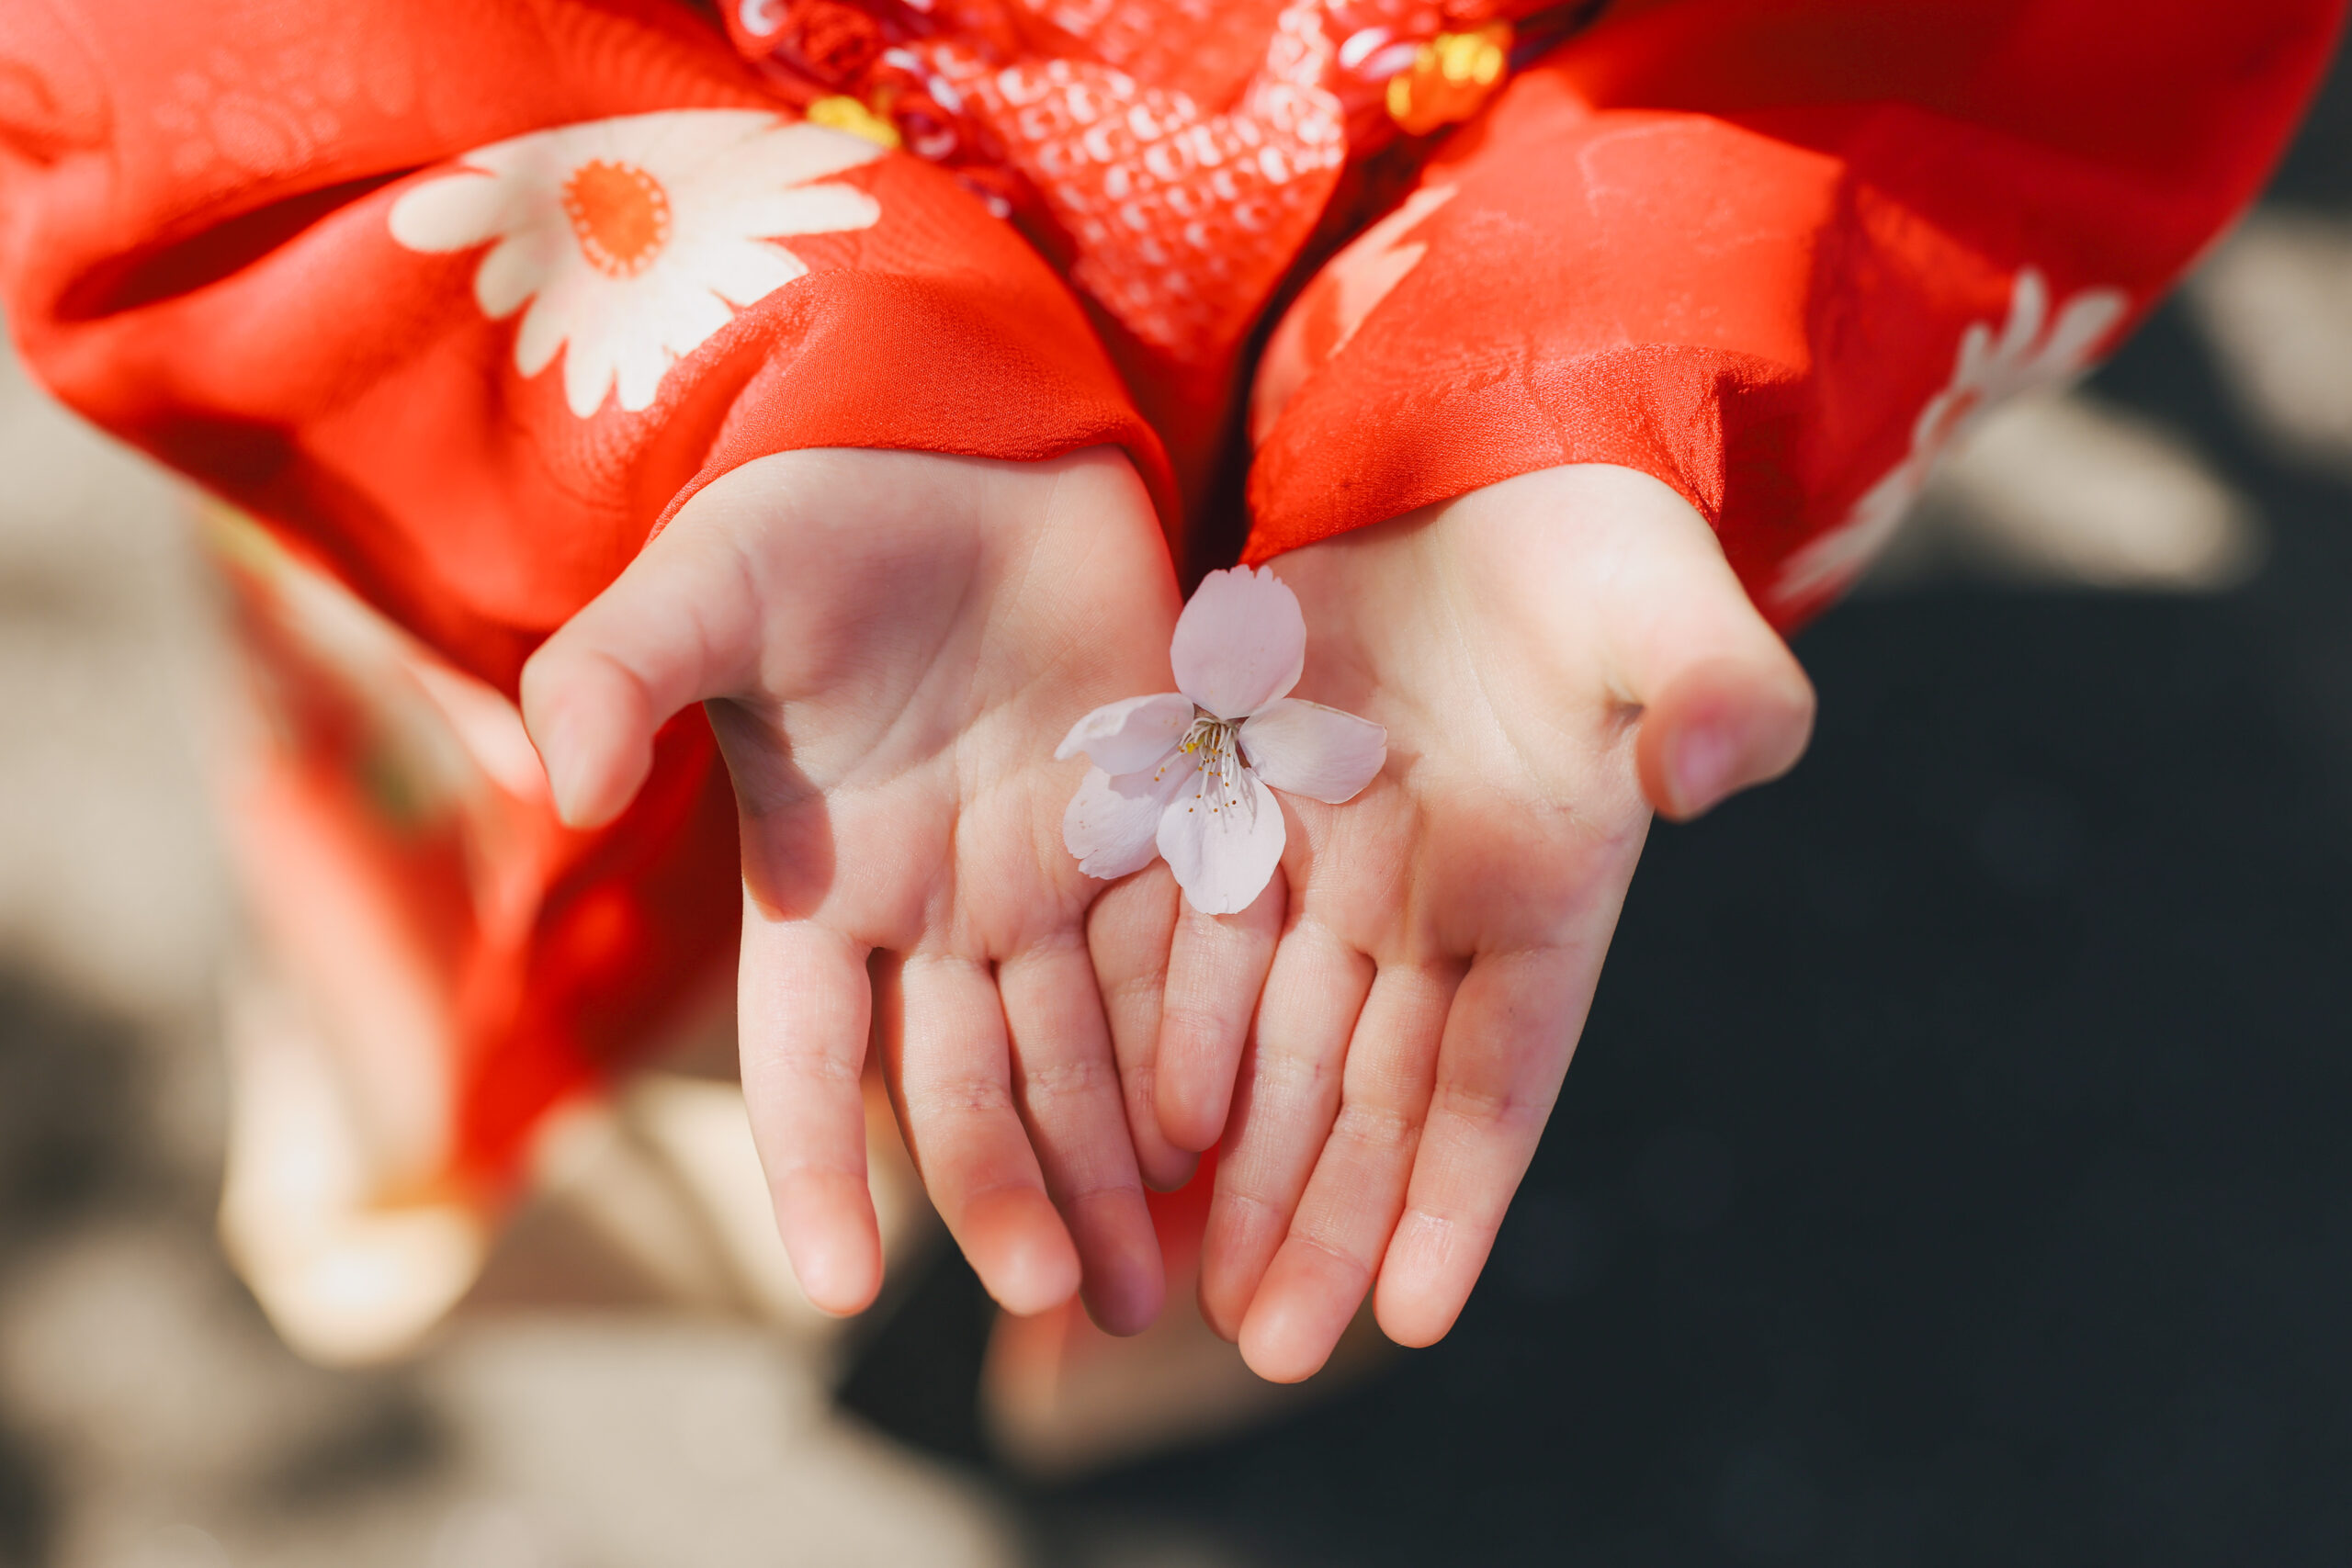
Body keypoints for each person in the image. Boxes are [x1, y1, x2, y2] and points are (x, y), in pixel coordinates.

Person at [0, 0, 2336, 1404]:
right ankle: (533, 1156)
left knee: (1296, 996)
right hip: (611, 387)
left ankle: (1174, 1254)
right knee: (640, 891)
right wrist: (771, 369)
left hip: (1398, 487)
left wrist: (1578, 357)